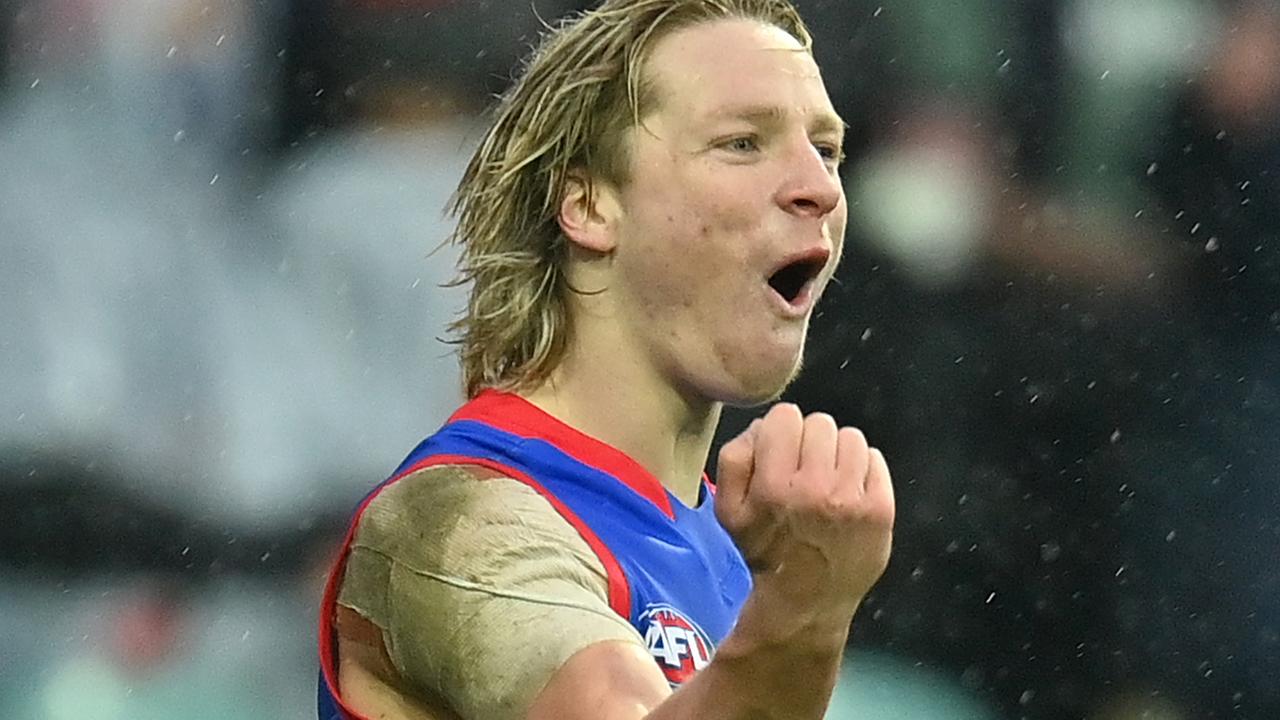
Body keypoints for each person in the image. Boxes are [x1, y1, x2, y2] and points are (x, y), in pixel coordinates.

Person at [316, 1, 896, 719]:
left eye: (828, 149)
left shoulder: (734, 552)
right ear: (587, 203)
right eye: (743, 143)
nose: (822, 186)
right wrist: (806, 607)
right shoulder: (457, 523)